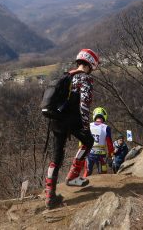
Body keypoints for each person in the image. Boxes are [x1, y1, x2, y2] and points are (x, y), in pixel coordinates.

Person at [45, 48, 99, 209]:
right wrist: (84, 125)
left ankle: (50, 196)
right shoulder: (85, 79)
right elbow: (84, 105)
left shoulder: (67, 75)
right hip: (72, 121)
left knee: (56, 157)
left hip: (56, 121)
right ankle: (73, 176)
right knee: (88, 141)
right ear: (90, 64)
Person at [85, 107, 114, 177]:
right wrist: (111, 155)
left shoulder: (88, 125)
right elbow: (109, 143)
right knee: (103, 175)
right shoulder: (106, 128)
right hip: (101, 154)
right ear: (104, 116)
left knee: (87, 172)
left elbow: (82, 140)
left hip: (89, 153)